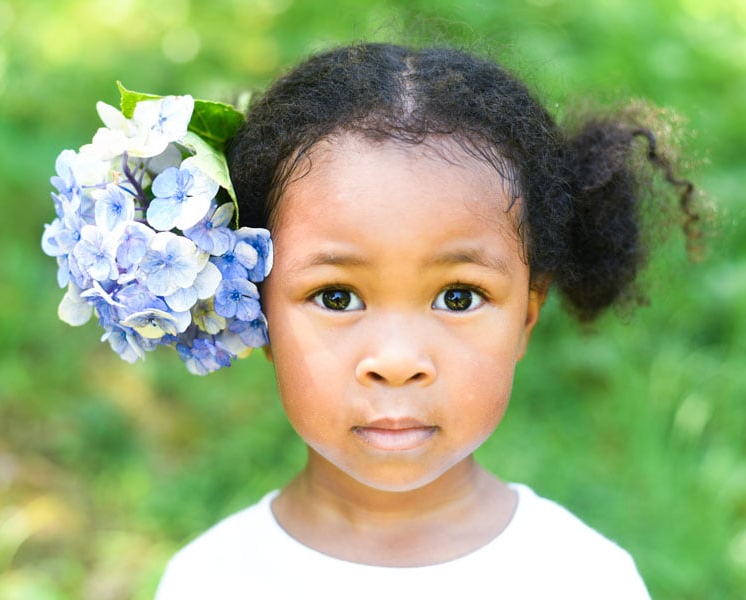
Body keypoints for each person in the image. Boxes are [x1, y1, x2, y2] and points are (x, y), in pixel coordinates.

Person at [154, 42, 702, 599]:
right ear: (259, 311)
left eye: (459, 297)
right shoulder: (209, 580)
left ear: (527, 317)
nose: (396, 362)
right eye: (337, 297)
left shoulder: (584, 579)